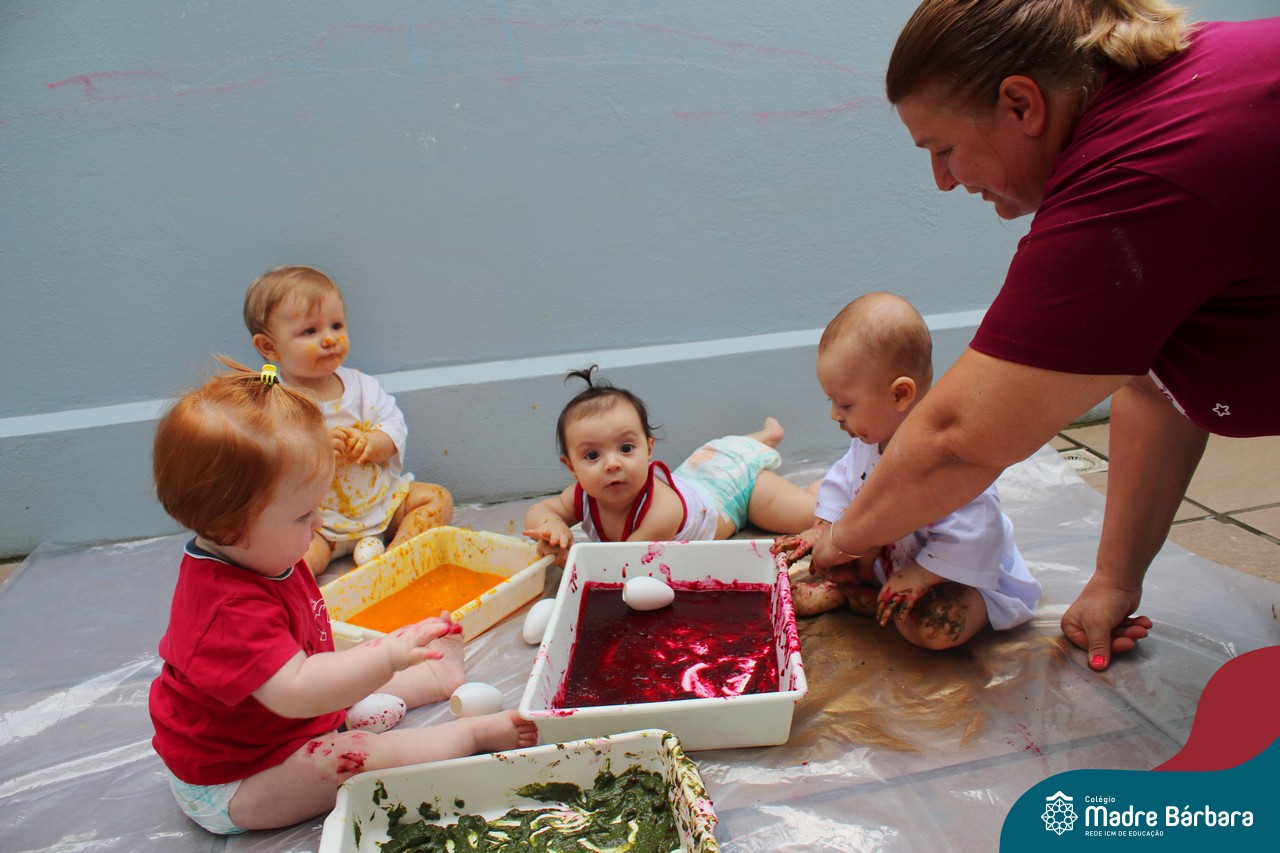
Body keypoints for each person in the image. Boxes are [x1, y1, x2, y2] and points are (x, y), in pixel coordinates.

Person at [811, 2, 1280, 669]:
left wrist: (841, 542)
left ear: (1021, 105)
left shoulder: (1132, 174)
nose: (942, 181)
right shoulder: (1151, 104)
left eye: (943, 150)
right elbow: (1153, 383)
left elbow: (957, 440)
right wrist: (1115, 580)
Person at [148, 360, 537, 834]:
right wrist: (386, 654)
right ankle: (469, 734)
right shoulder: (227, 609)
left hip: (288, 722)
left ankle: (436, 678)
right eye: (303, 515)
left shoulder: (263, 552)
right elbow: (298, 689)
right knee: (354, 755)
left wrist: (375, 666)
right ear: (227, 526)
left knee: (345, 686)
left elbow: (315, 676)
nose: (319, 524)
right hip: (236, 782)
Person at [774, 293, 1041, 649]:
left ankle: (874, 600)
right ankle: (857, 591)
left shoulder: (949, 460)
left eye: (846, 404)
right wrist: (823, 528)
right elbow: (844, 481)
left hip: (959, 575)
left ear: (900, 395)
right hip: (894, 562)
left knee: (937, 628)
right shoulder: (869, 441)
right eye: (832, 402)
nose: (834, 415)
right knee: (835, 559)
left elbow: (976, 533)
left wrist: (922, 574)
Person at [245, 265, 454, 575]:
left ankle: (396, 559)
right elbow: (268, 461)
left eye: (336, 325)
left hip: (380, 505)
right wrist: (314, 451)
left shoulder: (362, 386)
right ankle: (301, 574)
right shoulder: (275, 402)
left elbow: (393, 425)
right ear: (269, 346)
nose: (330, 339)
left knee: (437, 499)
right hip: (318, 523)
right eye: (310, 331)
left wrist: (374, 442)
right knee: (292, 561)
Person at [523, 366, 817, 564]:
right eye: (592, 456)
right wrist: (552, 527)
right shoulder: (581, 497)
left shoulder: (662, 510)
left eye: (626, 449)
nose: (612, 464)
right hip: (700, 470)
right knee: (726, 452)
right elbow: (540, 510)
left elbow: (622, 565)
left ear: (649, 449)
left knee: (814, 515)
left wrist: (570, 557)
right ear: (571, 467)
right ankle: (766, 436)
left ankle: (816, 484)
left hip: (735, 492)